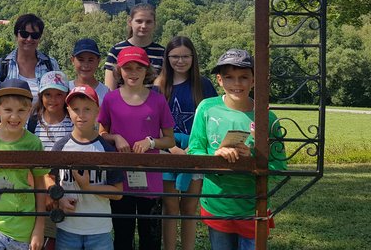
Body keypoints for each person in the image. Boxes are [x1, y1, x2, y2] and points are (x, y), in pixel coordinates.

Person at [188, 49, 287, 250]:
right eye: (229, 77)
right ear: (219, 80)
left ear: (254, 80)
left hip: (253, 206)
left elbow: (279, 166)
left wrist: (253, 158)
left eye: (243, 77)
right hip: (217, 204)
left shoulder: (267, 117)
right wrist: (215, 157)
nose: (236, 84)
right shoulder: (207, 108)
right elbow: (194, 152)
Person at [98, 46, 175, 250]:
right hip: (120, 180)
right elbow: (101, 133)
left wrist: (151, 142)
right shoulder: (110, 99)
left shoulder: (158, 101)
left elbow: (170, 140)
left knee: (150, 238)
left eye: (138, 68)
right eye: (127, 68)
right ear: (119, 71)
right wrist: (115, 137)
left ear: (147, 70)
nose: (133, 73)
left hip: (150, 180)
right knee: (123, 237)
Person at [0, 79, 48, 250]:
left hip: (23, 228)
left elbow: (40, 186)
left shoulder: (33, 143)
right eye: (8, 110)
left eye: (21, 110)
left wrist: (39, 228)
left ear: (29, 110)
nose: (14, 117)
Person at [156, 36, 217, 250]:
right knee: (170, 206)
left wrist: (192, 149)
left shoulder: (204, 85)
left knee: (190, 207)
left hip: (195, 153)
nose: (180, 61)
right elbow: (153, 122)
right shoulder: (158, 86)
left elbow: (213, 119)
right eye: (175, 56)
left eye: (185, 56)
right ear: (167, 58)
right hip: (167, 152)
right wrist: (171, 148)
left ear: (193, 57)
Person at [50, 85, 124, 250]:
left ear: (97, 111)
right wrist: (59, 198)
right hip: (67, 228)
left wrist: (88, 187)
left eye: (87, 109)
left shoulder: (106, 149)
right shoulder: (61, 146)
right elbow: (49, 178)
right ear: (68, 110)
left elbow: (118, 192)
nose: (81, 115)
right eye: (76, 109)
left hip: (99, 230)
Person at [27, 71, 73, 250]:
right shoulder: (32, 123)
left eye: (59, 95)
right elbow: (28, 158)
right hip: (38, 188)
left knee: (65, 238)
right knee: (43, 237)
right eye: (48, 94)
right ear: (40, 96)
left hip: (68, 187)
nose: (53, 100)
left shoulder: (72, 122)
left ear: (66, 96)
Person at [0, 13, 60, 103]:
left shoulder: (50, 65)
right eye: (24, 34)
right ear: (16, 35)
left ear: (40, 37)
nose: (29, 39)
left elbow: (59, 98)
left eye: (34, 35)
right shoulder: (3, 67)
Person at [104, 3, 165, 91]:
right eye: (139, 21)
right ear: (130, 22)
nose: (144, 26)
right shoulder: (116, 51)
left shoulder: (162, 52)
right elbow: (110, 90)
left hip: (152, 103)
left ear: (154, 24)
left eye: (148, 22)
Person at [68, 38, 110, 104]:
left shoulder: (105, 93)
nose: (86, 65)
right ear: (72, 60)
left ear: (98, 61)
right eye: (81, 60)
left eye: (90, 60)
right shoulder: (65, 89)